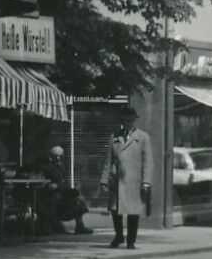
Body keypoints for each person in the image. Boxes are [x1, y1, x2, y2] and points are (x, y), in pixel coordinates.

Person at [102, 107, 153, 250]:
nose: (128, 122)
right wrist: (104, 179)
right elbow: (108, 160)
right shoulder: (115, 136)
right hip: (117, 179)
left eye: (130, 120)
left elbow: (148, 162)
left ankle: (131, 241)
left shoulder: (143, 137)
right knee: (115, 210)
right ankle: (119, 236)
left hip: (134, 180)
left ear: (134, 121)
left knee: (132, 211)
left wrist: (146, 181)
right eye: (125, 120)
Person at [44, 146, 92, 235]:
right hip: (52, 194)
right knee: (54, 200)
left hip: (62, 192)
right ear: (51, 157)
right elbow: (46, 183)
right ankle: (56, 226)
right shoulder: (47, 168)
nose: (58, 158)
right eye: (56, 156)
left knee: (78, 199)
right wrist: (52, 185)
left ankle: (80, 226)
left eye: (60, 156)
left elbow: (63, 182)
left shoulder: (62, 167)